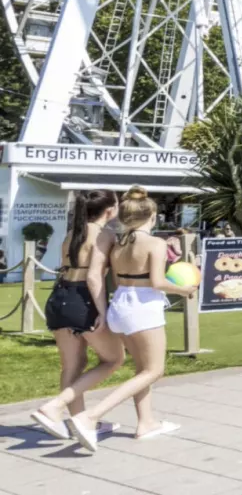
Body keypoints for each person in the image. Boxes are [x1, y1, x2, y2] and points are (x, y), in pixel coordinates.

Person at [65, 187, 198, 450]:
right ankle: (91, 416)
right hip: (143, 307)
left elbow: (114, 278)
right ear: (152, 216)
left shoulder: (119, 242)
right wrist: (184, 290)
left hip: (120, 305)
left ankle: (146, 422)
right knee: (154, 370)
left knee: (142, 369)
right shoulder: (155, 243)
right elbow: (159, 282)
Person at [32, 190, 124, 441]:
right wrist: (102, 312)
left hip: (60, 297)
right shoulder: (104, 234)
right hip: (84, 300)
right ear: (109, 210)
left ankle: (76, 422)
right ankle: (56, 406)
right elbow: (94, 277)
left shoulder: (73, 233)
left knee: (72, 365)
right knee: (114, 359)